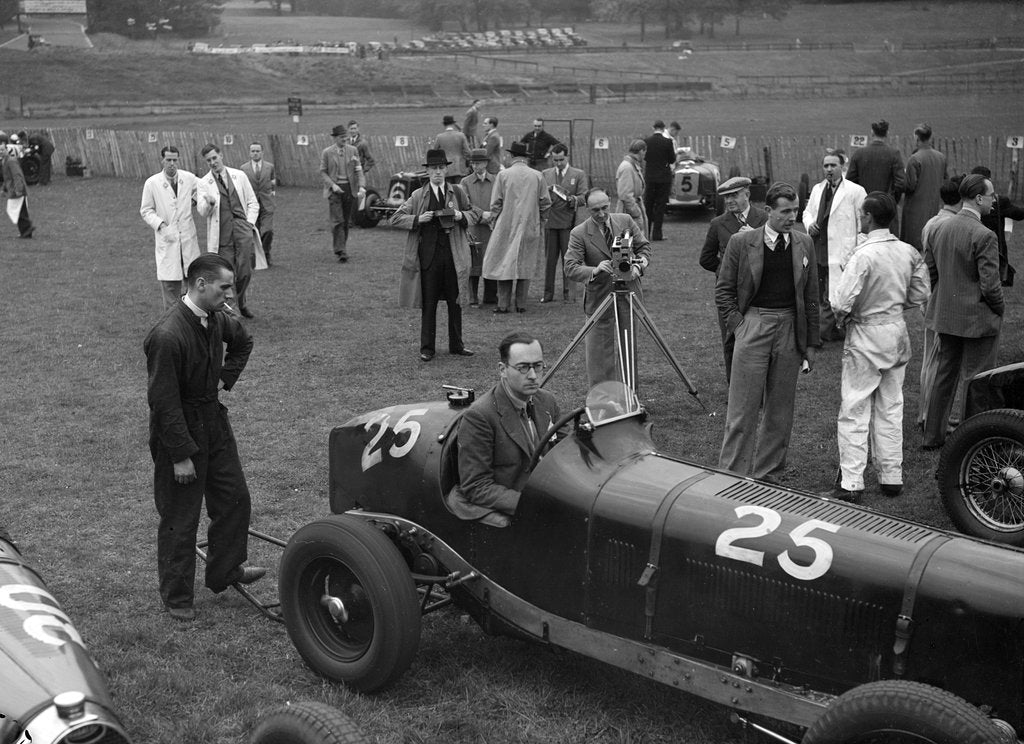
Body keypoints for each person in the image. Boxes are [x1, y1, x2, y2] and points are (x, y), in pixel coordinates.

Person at [144, 253, 266, 622]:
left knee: (234, 498)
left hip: (214, 421)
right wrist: (181, 455)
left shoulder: (216, 318)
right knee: (181, 517)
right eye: (224, 287)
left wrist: (223, 377)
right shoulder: (167, 334)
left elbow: (243, 341)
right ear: (200, 284)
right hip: (178, 431)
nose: (230, 294)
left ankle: (224, 570)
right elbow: (163, 402)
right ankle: (177, 597)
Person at [716, 182, 820, 482]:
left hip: (789, 329)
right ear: (768, 211)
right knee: (742, 410)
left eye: (796, 211)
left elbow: (812, 296)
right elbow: (723, 291)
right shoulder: (742, 242)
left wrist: (810, 343)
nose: (792, 217)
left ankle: (768, 476)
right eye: (785, 211)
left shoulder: (804, 243)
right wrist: (740, 324)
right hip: (753, 325)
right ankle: (730, 475)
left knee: (780, 410)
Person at [831, 192, 930, 503]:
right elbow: (921, 291)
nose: (860, 218)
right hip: (896, 331)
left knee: (855, 408)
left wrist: (846, 317)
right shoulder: (908, 251)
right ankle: (891, 476)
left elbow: (840, 300)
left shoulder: (863, 255)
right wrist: (894, 305)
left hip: (866, 332)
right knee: (891, 405)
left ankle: (851, 481)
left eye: (862, 214)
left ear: (869, 217)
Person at [445, 332, 560, 528]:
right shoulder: (480, 416)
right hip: (517, 507)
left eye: (538, 366)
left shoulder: (547, 401)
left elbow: (566, 449)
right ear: (503, 369)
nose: (533, 376)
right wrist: (532, 504)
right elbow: (476, 486)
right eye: (523, 367)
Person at [922, 174, 1003, 449]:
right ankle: (970, 442)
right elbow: (991, 286)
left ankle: (933, 435)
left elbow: (931, 271)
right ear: (979, 198)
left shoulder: (939, 227)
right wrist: (1000, 309)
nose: (994, 200)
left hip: (946, 314)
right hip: (977, 319)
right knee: (976, 379)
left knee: (945, 375)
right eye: (991, 195)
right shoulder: (984, 234)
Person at [391, 149, 475, 362]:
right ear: (427, 171)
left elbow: (475, 214)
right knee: (429, 304)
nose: (437, 172)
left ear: (446, 169)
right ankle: (427, 348)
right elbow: (395, 218)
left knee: (455, 303)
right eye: (433, 169)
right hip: (428, 258)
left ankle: (457, 345)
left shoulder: (457, 192)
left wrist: (460, 215)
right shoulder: (418, 195)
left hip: (454, 255)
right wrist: (419, 218)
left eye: (440, 168)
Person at [564, 188, 651, 387]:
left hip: (629, 295)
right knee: (599, 354)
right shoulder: (579, 233)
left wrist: (639, 264)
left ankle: (630, 398)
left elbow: (643, 247)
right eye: (595, 210)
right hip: (599, 298)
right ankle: (603, 401)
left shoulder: (626, 221)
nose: (602, 214)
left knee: (628, 350)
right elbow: (570, 267)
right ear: (587, 209)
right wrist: (595, 270)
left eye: (604, 208)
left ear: (610, 202)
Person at [699, 176, 767, 382]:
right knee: (731, 340)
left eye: (734, 195)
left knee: (759, 341)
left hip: (760, 292)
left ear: (747, 194)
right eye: (726, 197)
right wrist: (726, 272)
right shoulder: (718, 223)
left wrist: (756, 235)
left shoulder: (764, 219)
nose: (729, 201)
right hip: (730, 294)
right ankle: (735, 390)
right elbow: (706, 258)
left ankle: (759, 389)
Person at [802, 150, 867, 342]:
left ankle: (835, 330)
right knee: (820, 289)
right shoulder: (817, 189)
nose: (829, 169)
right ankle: (828, 330)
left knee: (841, 292)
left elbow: (863, 222)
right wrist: (809, 223)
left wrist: (859, 250)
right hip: (819, 247)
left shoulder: (855, 191)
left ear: (843, 167)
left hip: (842, 250)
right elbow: (806, 212)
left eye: (833, 165)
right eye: (826, 166)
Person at [917, 176, 963, 427]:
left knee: (930, 359)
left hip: (930, 295)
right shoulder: (950, 225)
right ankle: (930, 416)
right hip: (939, 298)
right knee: (938, 359)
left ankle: (926, 413)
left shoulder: (932, 222)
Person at [485, 141, 551, 313]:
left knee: (503, 262)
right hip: (530, 224)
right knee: (525, 263)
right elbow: (545, 202)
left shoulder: (503, 175)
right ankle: (521, 304)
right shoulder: (537, 175)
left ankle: (503, 304)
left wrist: (493, 219)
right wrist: (541, 220)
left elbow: (496, 203)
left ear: (512, 156)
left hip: (506, 225)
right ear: (526, 157)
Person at [196, 144, 261, 319]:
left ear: (221, 156)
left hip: (242, 230)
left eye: (214, 158)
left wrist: (249, 224)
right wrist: (209, 203)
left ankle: (242, 303)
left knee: (245, 271)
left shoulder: (239, 176)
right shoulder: (204, 182)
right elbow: (202, 211)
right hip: (222, 234)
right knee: (226, 274)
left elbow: (253, 202)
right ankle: (231, 311)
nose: (212, 162)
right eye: (208, 160)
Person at [140, 145, 201, 308]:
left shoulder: (188, 178)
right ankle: (172, 323)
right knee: (170, 285)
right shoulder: (152, 183)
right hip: (168, 237)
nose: (172, 163)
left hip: (187, 238)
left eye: (175, 160)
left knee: (193, 283)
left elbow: (205, 188)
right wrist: (160, 224)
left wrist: (194, 201)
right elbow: (146, 210)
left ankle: (193, 321)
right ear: (162, 160)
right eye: (168, 160)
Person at [541, 143, 589, 303]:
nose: (558, 163)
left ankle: (569, 295)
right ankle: (547, 294)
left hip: (569, 224)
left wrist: (572, 199)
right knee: (549, 261)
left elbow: (584, 196)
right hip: (550, 224)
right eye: (555, 160)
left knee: (569, 261)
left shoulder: (578, 174)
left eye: (561, 159)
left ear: (566, 157)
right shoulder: (545, 174)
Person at [846, 119, 905, 234]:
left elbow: (849, 183)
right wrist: (892, 200)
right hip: (887, 210)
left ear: (872, 132)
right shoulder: (894, 154)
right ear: (887, 133)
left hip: (865, 208)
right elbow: (901, 183)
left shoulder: (859, 153)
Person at [320, 124, 366, 262]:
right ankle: (341, 250)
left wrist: (362, 186)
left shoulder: (353, 151)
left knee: (345, 221)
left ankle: (342, 247)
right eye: (341, 137)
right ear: (335, 138)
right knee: (337, 220)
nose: (344, 139)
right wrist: (333, 186)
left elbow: (358, 170)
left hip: (349, 189)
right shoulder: (327, 152)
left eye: (345, 137)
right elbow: (323, 172)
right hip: (334, 190)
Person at [900, 124, 947, 251]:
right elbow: (945, 180)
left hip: (915, 209)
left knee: (914, 245)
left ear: (916, 138)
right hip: (934, 207)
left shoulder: (915, 159)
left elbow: (910, 185)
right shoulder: (941, 158)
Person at [462, 148, 498, 306]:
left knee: (491, 261)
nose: (475, 166)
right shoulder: (465, 182)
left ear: (486, 163)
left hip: (493, 229)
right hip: (474, 229)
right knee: (474, 264)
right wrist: (482, 215)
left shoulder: (496, 180)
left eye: (478, 162)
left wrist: (493, 216)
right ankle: (473, 297)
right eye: (473, 163)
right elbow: (466, 204)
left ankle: (491, 297)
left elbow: (500, 201)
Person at [240, 142, 277, 267]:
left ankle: (266, 253)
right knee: (253, 232)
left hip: (267, 203)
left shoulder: (269, 167)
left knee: (268, 231)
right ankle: (255, 258)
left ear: (262, 152)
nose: (255, 153)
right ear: (249, 153)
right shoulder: (244, 169)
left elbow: (272, 181)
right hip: (251, 205)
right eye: (253, 151)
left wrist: (271, 192)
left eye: (257, 151)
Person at [643, 120, 677, 242]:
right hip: (664, 177)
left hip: (650, 177)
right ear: (663, 129)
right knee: (660, 206)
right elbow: (672, 159)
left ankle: (646, 232)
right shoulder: (668, 142)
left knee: (648, 204)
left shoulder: (646, 142)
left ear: (653, 127)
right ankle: (657, 234)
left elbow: (645, 157)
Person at [0, 138, 35, 239]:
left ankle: (27, 230)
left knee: (18, 211)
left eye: (2, 150)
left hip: (18, 190)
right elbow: (7, 178)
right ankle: (26, 230)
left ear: (7, 150)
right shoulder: (4, 161)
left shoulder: (11, 161)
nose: (1, 152)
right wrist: (4, 189)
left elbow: (17, 176)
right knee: (19, 211)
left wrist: (19, 190)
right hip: (13, 190)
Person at [615, 139, 648, 237]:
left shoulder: (631, 165)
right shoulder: (627, 167)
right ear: (641, 151)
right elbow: (625, 195)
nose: (645, 155)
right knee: (628, 242)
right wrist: (636, 212)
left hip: (631, 210)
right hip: (628, 212)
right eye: (645, 152)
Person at [432, 115, 472, 183]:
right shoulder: (461, 135)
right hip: (460, 167)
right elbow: (467, 152)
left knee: (448, 190)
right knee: (460, 190)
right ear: (453, 124)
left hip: (446, 167)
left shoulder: (439, 137)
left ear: (444, 124)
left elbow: (434, 152)